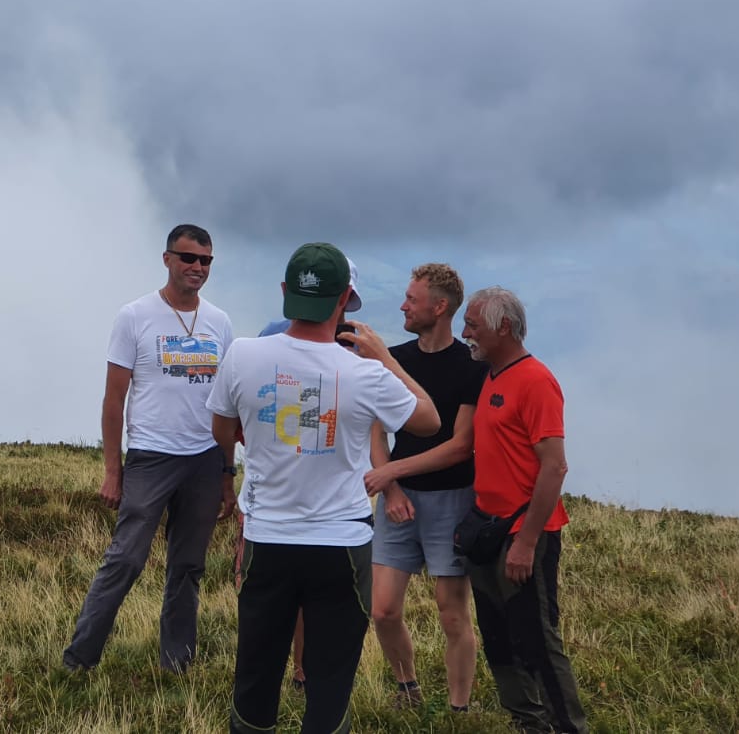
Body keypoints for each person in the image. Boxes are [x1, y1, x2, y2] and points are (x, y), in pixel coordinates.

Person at [210, 242, 439, 734]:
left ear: (285, 291)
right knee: (330, 684)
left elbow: (221, 427)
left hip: (267, 539)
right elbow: (428, 419)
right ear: (344, 299)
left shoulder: (242, 355)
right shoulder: (365, 373)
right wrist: (387, 359)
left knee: (255, 679)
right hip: (341, 544)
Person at [62, 224, 236, 674]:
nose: (197, 267)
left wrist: (226, 474)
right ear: (167, 259)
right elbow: (113, 400)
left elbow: (226, 406)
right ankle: (79, 660)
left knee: (188, 567)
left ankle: (176, 665)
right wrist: (112, 470)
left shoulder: (219, 322)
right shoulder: (134, 316)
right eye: (188, 258)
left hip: (204, 459)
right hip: (150, 456)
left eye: (206, 261)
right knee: (125, 559)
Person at [461, 286, 588, 734]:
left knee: (537, 641)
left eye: (472, 325)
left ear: (504, 328)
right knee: (499, 638)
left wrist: (527, 542)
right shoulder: (491, 376)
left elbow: (555, 467)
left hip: (522, 534)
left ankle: (567, 727)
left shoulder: (536, 381)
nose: (465, 333)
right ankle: (529, 723)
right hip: (487, 530)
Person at [361, 263, 488, 712]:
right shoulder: (393, 359)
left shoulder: (471, 366)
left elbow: (460, 446)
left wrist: (391, 473)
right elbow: (376, 433)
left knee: (452, 613)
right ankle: (407, 689)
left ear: (439, 307)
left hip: (453, 500)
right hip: (398, 499)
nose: (403, 306)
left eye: (411, 300)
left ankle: (458, 709)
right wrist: (392, 488)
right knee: (382, 610)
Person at [242, 257, 366, 693]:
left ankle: (305, 671)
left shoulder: (358, 347)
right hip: (278, 496)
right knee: (288, 598)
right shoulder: (272, 338)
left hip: (332, 497)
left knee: (314, 596)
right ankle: (299, 672)